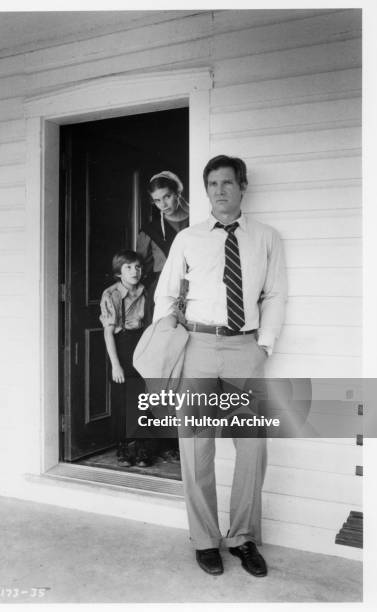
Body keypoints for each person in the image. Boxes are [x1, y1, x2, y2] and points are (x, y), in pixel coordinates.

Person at [153, 155, 287, 577]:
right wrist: (172, 340)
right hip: (197, 344)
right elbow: (166, 294)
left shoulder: (266, 237)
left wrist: (263, 345)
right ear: (205, 189)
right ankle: (205, 539)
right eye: (212, 184)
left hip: (245, 347)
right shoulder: (187, 239)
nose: (219, 190)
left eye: (227, 182)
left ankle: (243, 538)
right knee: (196, 444)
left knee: (252, 445)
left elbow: (275, 294)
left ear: (242, 186)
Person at [136, 171, 189, 462]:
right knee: (158, 368)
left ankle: (182, 442)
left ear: (178, 192)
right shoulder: (149, 230)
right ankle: (152, 444)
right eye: (157, 200)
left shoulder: (198, 220)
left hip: (193, 297)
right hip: (161, 302)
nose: (163, 204)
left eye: (167, 196)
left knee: (184, 368)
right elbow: (138, 267)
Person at [99, 250, 152, 468]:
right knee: (123, 401)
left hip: (143, 343)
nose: (134, 271)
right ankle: (125, 449)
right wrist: (116, 366)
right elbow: (108, 332)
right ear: (119, 272)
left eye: (138, 267)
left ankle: (141, 449)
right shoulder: (111, 294)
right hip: (121, 346)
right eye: (128, 267)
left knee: (142, 399)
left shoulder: (145, 292)